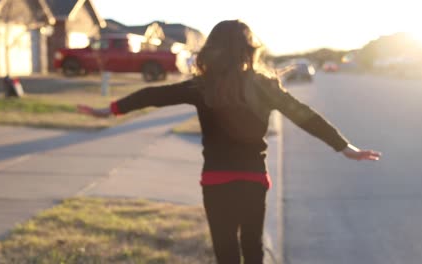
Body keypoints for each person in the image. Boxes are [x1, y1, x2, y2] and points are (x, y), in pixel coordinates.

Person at [77, 20, 381, 264]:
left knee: (225, 253)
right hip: (253, 180)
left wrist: (111, 109)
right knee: (253, 250)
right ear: (249, 50)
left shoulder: (202, 86)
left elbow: (154, 96)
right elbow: (305, 116)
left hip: (216, 180)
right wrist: (344, 147)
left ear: (213, 50)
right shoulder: (264, 87)